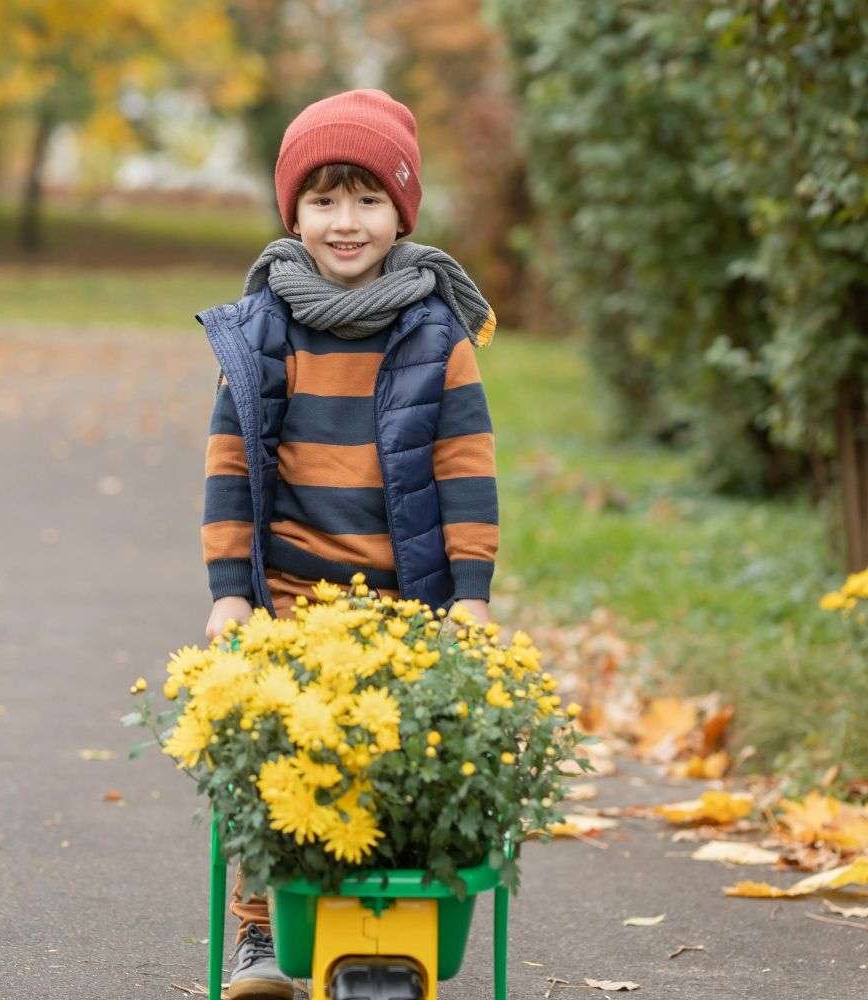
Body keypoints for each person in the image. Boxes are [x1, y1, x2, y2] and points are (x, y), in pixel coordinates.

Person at [196, 88, 499, 1000]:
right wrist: (229, 589)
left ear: (401, 212)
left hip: (404, 598)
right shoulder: (262, 333)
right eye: (324, 199)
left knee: (389, 764)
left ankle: (378, 925)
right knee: (274, 762)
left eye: (367, 199)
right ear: (293, 211)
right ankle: (259, 935)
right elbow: (230, 467)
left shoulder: (435, 331)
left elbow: (464, 465)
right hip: (289, 594)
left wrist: (471, 591)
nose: (345, 221)